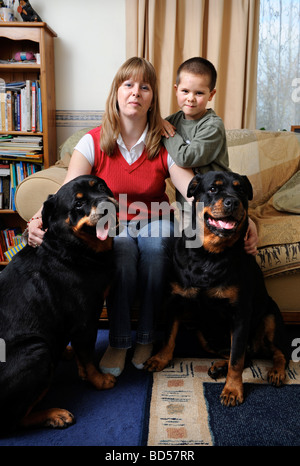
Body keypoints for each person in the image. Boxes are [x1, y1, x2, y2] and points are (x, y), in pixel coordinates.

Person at [27, 57, 195, 377]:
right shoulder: (92, 140)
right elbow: (65, 191)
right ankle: (119, 341)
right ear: (116, 93)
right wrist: (36, 222)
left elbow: (191, 191)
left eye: (144, 87)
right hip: (109, 220)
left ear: (152, 99)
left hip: (156, 216)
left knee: (158, 243)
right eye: (128, 84)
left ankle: (145, 338)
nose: (136, 92)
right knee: (121, 248)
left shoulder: (165, 142)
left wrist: (245, 219)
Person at [162, 57, 257, 254]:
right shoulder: (171, 121)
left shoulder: (212, 125)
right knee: (189, 254)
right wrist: (158, 124)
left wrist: (163, 129)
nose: (191, 98)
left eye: (199, 93)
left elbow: (185, 157)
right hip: (191, 206)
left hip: (220, 197)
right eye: (185, 91)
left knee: (221, 253)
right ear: (176, 89)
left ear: (211, 94)